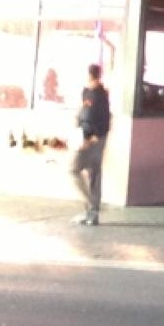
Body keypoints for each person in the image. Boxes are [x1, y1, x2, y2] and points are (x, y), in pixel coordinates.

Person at [72, 63, 111, 226]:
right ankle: (92, 210)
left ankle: (92, 206)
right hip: (90, 137)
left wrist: (93, 137)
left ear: (90, 74)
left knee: (76, 169)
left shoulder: (98, 95)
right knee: (92, 172)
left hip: (92, 139)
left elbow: (100, 118)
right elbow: (85, 113)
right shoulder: (89, 92)